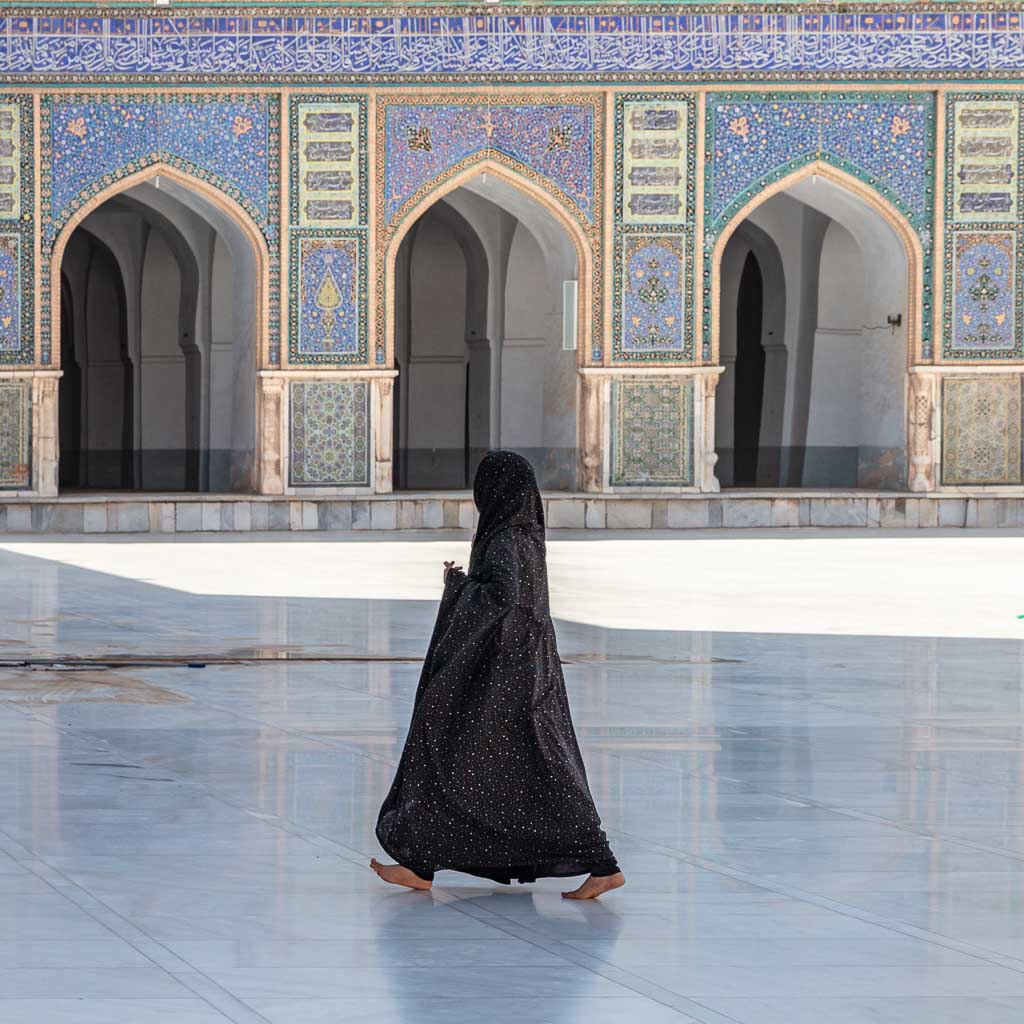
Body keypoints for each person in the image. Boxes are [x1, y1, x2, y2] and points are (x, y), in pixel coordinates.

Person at [372, 449, 624, 900]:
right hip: (512, 671)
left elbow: (504, 598)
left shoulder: (507, 538)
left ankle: (602, 863)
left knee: (504, 762)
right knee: (475, 765)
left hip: (504, 679)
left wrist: (458, 585)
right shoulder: (522, 533)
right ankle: (420, 864)